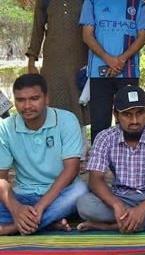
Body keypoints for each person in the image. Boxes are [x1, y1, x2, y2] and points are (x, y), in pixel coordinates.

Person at [76, 86, 145, 232]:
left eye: (140, 113)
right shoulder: (104, 138)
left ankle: (111, 226)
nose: (134, 121)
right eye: (127, 114)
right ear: (115, 115)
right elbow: (95, 180)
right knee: (84, 204)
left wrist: (144, 208)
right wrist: (116, 205)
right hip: (119, 197)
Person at [0, 74, 88, 235]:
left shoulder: (67, 120)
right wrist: (16, 209)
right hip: (23, 196)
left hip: (60, 195)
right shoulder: (6, 127)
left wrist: (40, 208)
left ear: (47, 98)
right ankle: (48, 222)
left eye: (34, 99)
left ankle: (14, 227)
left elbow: (71, 170)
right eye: (20, 100)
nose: (27, 106)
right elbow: (1, 179)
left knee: (80, 191)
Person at [27, 0, 91, 159]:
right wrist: (31, 62)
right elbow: (37, 31)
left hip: (79, 64)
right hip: (52, 66)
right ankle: (52, 155)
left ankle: (79, 156)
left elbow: (93, 33)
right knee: (51, 107)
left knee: (77, 108)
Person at [80, 0, 145, 141]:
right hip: (99, 72)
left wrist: (121, 60)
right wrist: (108, 59)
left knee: (130, 122)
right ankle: (99, 159)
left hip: (128, 72)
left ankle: (128, 158)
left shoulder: (138, 4)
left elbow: (142, 37)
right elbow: (87, 36)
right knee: (100, 122)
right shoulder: (92, 2)